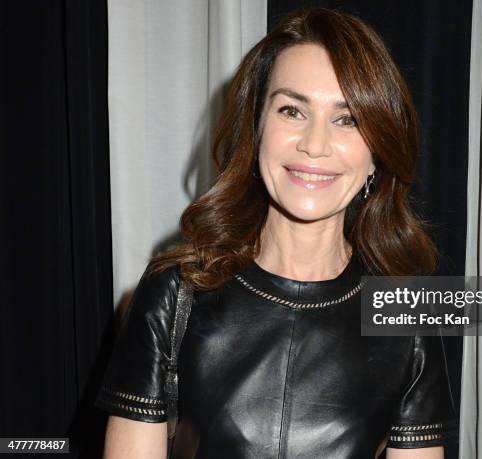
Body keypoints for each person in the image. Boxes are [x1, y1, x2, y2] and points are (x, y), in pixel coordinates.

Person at [95, 7, 458, 459]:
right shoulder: (175, 291)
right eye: (292, 110)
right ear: (256, 128)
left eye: (346, 119)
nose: (315, 143)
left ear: (377, 153)